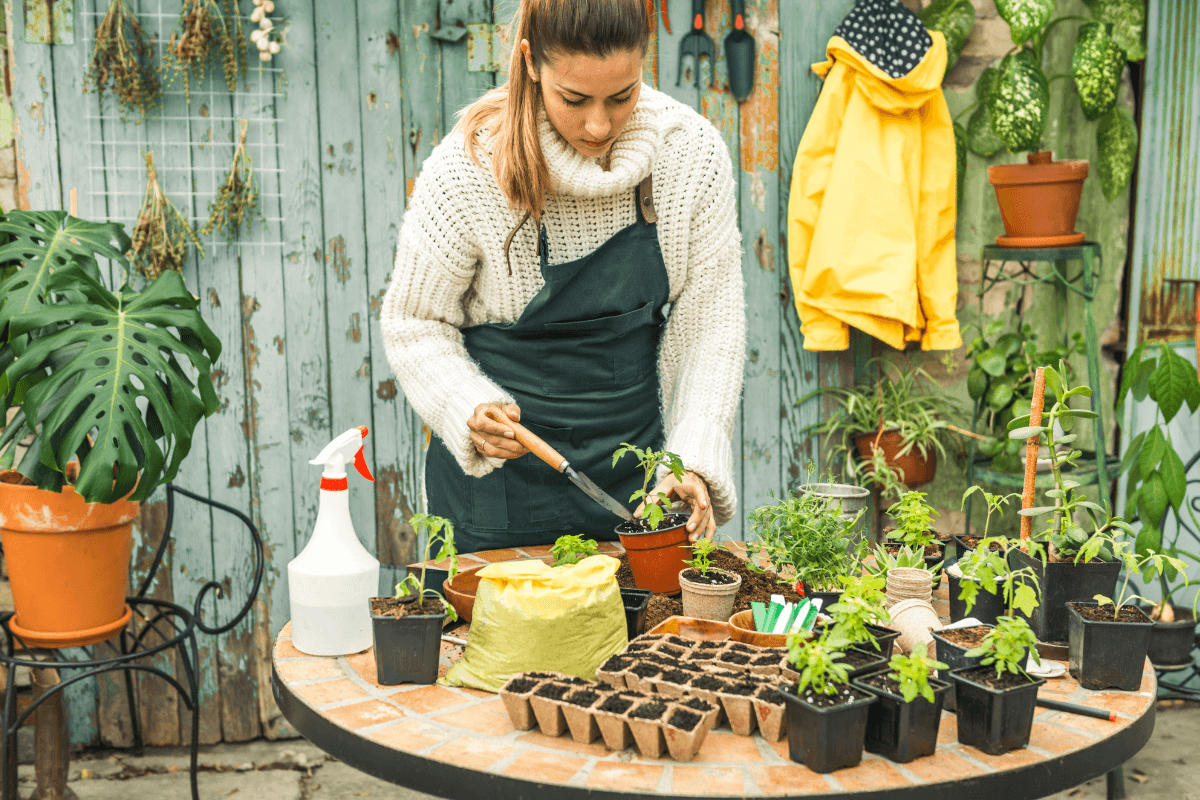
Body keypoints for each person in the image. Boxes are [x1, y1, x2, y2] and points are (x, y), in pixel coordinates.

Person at [380, 0, 745, 555]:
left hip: (638, 486)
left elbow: (711, 323)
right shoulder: (469, 169)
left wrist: (688, 457)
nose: (598, 125)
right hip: (498, 495)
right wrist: (465, 404)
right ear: (530, 62)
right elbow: (414, 322)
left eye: (621, 96)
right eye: (574, 99)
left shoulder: (689, 155)